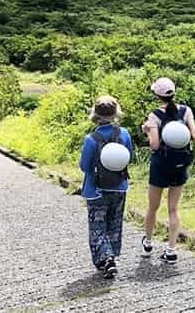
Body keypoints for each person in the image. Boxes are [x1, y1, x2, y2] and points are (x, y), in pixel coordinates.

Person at [140, 77, 195, 263]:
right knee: (173, 209)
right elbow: (194, 136)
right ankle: (171, 250)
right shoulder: (186, 110)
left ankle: (148, 242)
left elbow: (155, 145)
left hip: (160, 165)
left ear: (156, 95)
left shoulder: (155, 115)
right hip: (180, 163)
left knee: (153, 207)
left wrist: (147, 131)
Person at [79, 95, 134, 278]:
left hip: (96, 190)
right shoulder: (124, 134)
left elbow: (84, 166)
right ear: (116, 113)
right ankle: (111, 256)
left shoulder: (91, 139)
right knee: (115, 223)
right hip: (119, 187)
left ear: (95, 114)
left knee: (97, 225)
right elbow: (129, 158)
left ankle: (106, 259)